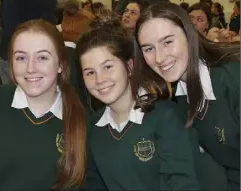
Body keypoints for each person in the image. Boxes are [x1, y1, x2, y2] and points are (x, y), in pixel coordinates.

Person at [0, 19, 87, 190]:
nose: (30, 68)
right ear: (10, 63)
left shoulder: (81, 120)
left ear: (61, 65)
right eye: (21, 57)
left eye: (42, 57)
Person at [76, 12, 200, 190]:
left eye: (108, 67)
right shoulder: (93, 127)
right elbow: (93, 183)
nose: (99, 79)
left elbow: (183, 183)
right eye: (90, 72)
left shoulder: (165, 116)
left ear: (130, 66)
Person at [135, 2, 240, 190]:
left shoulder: (232, 79)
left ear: (188, 35)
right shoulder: (180, 99)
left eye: (167, 42)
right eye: (149, 48)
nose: (159, 58)